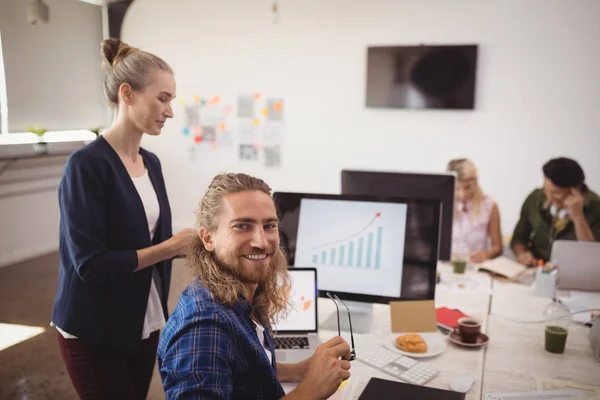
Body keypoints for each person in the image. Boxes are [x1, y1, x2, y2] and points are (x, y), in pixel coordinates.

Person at [50, 38, 195, 399]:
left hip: (143, 319)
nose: (170, 111)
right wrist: (169, 248)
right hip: (93, 327)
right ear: (127, 94)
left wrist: (190, 243)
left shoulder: (152, 163)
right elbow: (90, 265)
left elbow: (145, 238)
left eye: (171, 100)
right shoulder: (85, 166)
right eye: (162, 98)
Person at [157, 173, 353, 400]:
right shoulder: (204, 327)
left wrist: (296, 371)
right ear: (208, 238)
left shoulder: (243, 294)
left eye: (269, 225)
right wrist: (309, 391)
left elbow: (242, 369)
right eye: (242, 226)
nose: (261, 242)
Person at [511, 157, 600, 266]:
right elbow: (519, 238)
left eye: (556, 193)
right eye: (546, 190)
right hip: (539, 268)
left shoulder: (596, 207)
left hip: (575, 274)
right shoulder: (536, 198)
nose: (549, 197)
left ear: (575, 189)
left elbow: (593, 258)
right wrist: (522, 254)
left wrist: (578, 218)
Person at [447, 158, 503, 263]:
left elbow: (498, 247)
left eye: (468, 187)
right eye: (457, 188)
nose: (462, 194)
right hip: (448, 267)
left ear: (476, 182)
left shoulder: (489, 206)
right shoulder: (444, 205)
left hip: (477, 268)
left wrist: (486, 254)